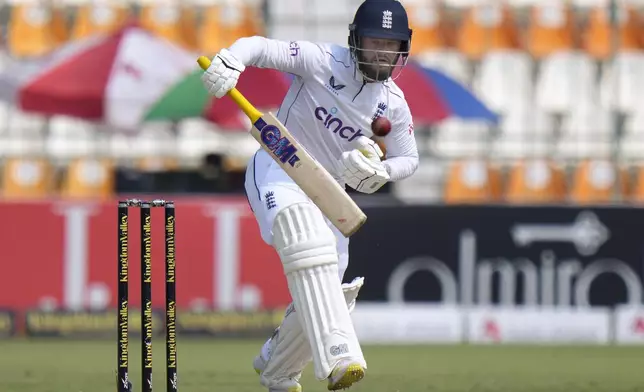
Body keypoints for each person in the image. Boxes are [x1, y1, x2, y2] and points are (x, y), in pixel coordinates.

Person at [200, 0, 418, 390]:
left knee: (328, 294)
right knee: (308, 242)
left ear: (403, 48)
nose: (383, 52)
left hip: (330, 193)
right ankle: (340, 357)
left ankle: (277, 368)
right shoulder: (321, 61)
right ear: (355, 40)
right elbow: (260, 47)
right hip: (279, 166)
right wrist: (232, 59)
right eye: (375, 41)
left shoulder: (394, 105)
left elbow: (409, 159)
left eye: (392, 44)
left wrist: (381, 171)